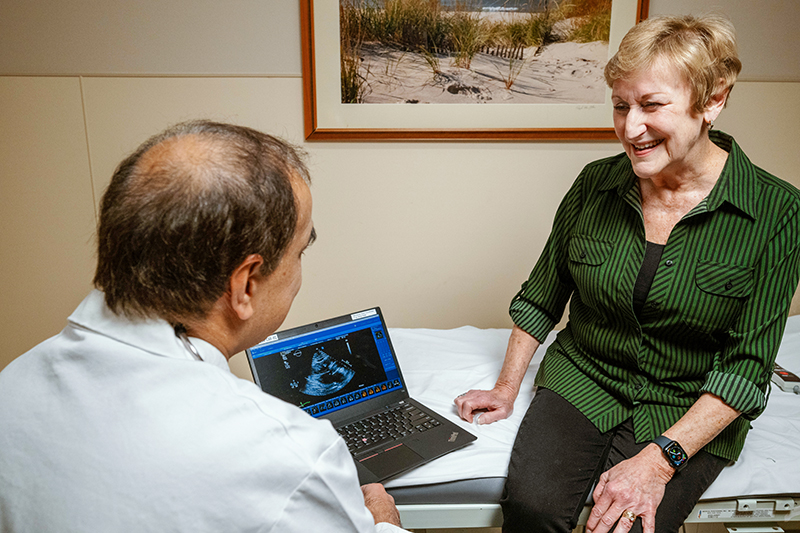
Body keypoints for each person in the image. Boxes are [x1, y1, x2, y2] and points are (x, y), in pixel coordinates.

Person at [455, 14, 800, 533]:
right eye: (620, 105)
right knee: (533, 510)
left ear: (712, 101)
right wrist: (506, 388)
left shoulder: (778, 212)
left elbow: (746, 370)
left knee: (627, 528)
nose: (629, 128)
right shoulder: (595, 183)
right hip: (584, 379)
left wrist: (658, 462)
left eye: (652, 106)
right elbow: (542, 296)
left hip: (687, 401)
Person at [0, 120, 408, 533]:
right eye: (300, 252)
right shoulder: (291, 455)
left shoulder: (11, 386)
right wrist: (382, 524)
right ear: (245, 285)